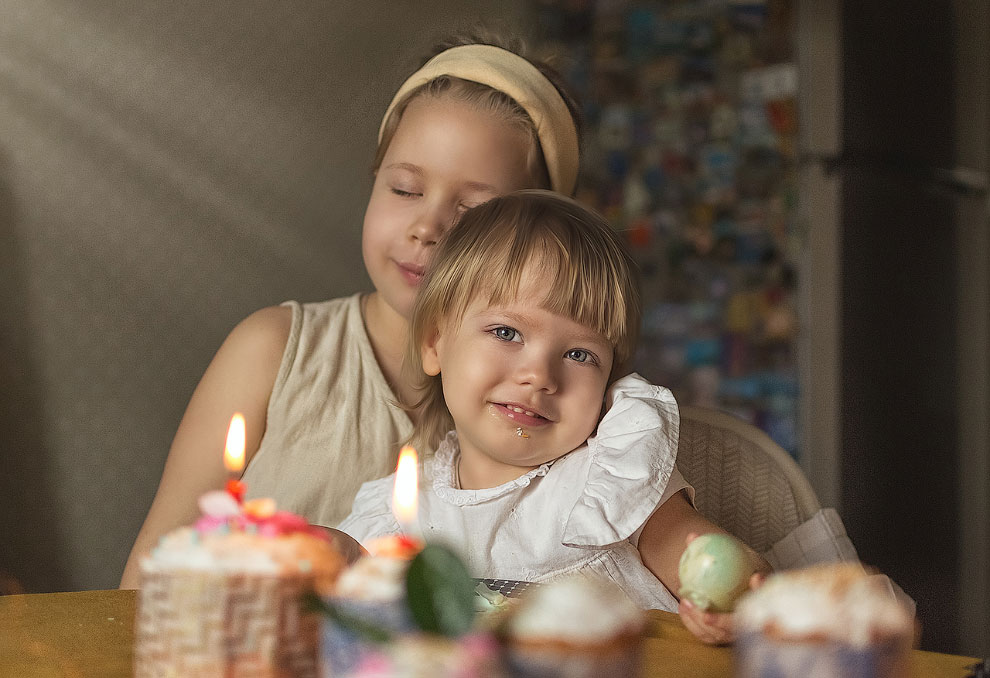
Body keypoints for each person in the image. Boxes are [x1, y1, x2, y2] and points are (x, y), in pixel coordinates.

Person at [119, 31, 584, 589]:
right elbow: (157, 561)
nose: (427, 228)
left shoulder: (550, 401)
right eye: (406, 189)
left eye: (473, 209)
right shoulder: (272, 350)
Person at [337, 190, 770, 644]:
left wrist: (739, 597)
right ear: (434, 342)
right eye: (507, 332)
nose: (540, 375)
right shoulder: (396, 510)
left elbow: (704, 556)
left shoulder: (606, 480)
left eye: (580, 354)